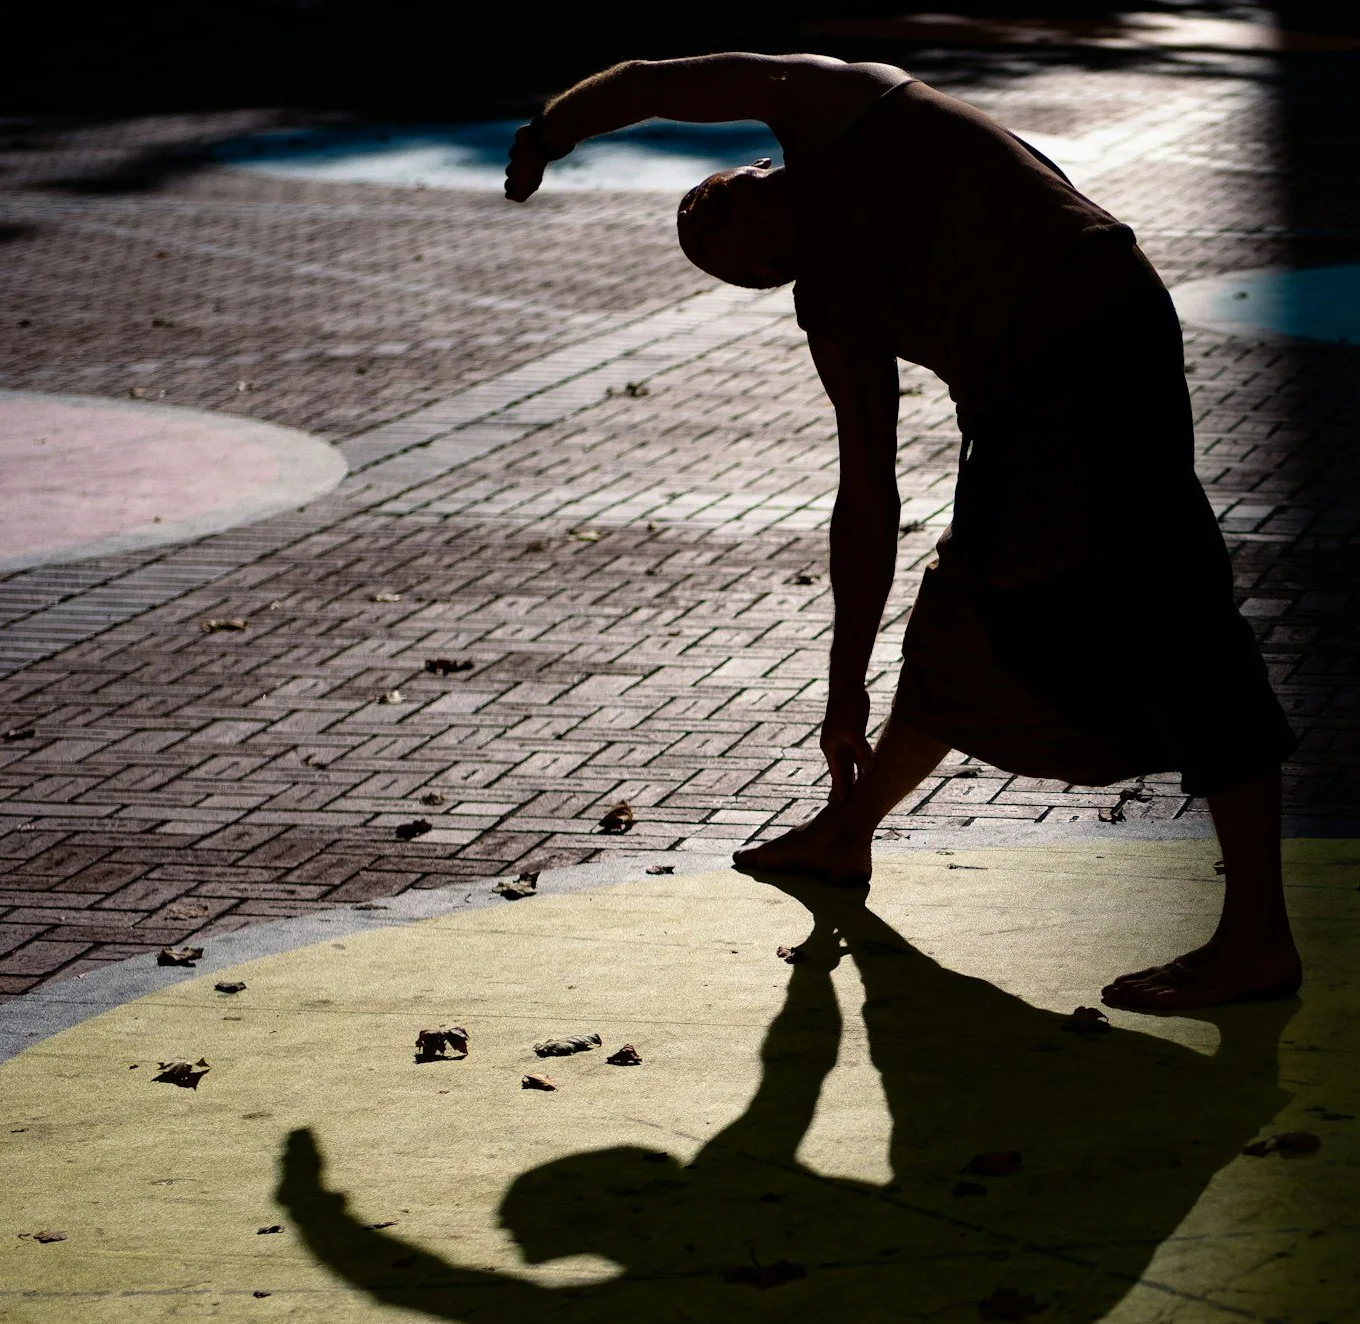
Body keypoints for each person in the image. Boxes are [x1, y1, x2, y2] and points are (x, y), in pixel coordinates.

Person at [504, 54, 1299, 1011]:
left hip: (1085, 337)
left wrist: (550, 132)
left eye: (725, 226)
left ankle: (1256, 938)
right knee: (967, 601)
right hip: (1023, 393)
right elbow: (866, 494)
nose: (741, 260)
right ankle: (849, 830)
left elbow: (648, 83)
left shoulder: (844, 105)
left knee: (1173, 617)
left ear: (755, 174)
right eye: (735, 274)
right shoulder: (833, 304)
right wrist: (842, 690)